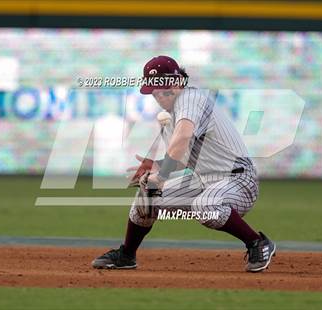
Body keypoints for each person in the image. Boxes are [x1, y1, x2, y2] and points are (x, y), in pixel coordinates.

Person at [92, 55, 276, 272]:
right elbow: (183, 156)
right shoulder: (170, 116)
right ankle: (127, 254)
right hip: (204, 180)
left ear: (178, 81)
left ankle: (257, 242)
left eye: (163, 87)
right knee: (147, 194)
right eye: (154, 89)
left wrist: (161, 177)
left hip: (238, 179)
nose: (159, 94)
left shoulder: (191, 98)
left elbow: (183, 138)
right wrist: (159, 165)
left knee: (205, 206)